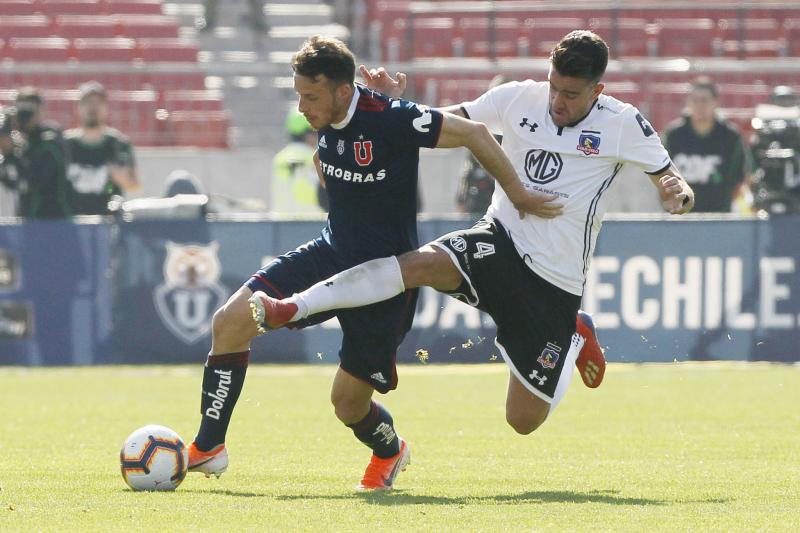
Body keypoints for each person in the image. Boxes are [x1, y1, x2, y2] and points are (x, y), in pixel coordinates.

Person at [251, 30, 694, 442]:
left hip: (554, 279)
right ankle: (294, 306)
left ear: (597, 90)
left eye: (571, 94)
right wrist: (388, 108)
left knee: (523, 421)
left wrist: (678, 194)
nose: (557, 101)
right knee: (418, 264)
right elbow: (440, 124)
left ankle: (573, 333)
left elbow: (671, 180)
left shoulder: (622, 123)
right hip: (499, 240)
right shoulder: (517, 97)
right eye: (553, 87)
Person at [186, 35, 558, 491]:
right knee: (229, 322)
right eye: (299, 95)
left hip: (386, 279)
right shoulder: (333, 114)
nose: (302, 107)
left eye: (311, 97)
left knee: (347, 404)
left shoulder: (391, 117)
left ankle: (390, 449)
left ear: (343, 91)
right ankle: (209, 447)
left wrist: (518, 194)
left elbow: (476, 133)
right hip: (330, 252)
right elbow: (332, 159)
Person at [663, 76, 750, 213]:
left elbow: (740, 179)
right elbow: (663, 175)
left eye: (704, 100)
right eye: (695, 100)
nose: (700, 106)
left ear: (716, 102)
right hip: (681, 216)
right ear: (688, 102)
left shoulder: (731, 137)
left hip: (719, 216)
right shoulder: (673, 135)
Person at [64, 81, 139, 215]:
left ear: (106, 108)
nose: (93, 108)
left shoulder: (118, 144)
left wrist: (117, 174)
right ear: (78, 108)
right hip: (72, 220)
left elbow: (133, 184)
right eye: (88, 103)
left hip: (107, 219)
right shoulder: (65, 144)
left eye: (98, 103)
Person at [455, 74, 508, 216]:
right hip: (477, 205)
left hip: (505, 205)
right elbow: (469, 168)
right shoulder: (481, 129)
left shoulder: (518, 133)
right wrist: (461, 197)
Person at [14, 87, 71, 219]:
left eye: (30, 111)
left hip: (51, 217)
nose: (25, 117)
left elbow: (37, 181)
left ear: (40, 111)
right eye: (22, 112)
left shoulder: (50, 141)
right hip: (25, 216)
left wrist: (17, 152)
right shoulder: (15, 140)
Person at [271, 108, 327, 214]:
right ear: (309, 135)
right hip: (312, 222)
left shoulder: (279, 159)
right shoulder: (316, 159)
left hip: (280, 223)